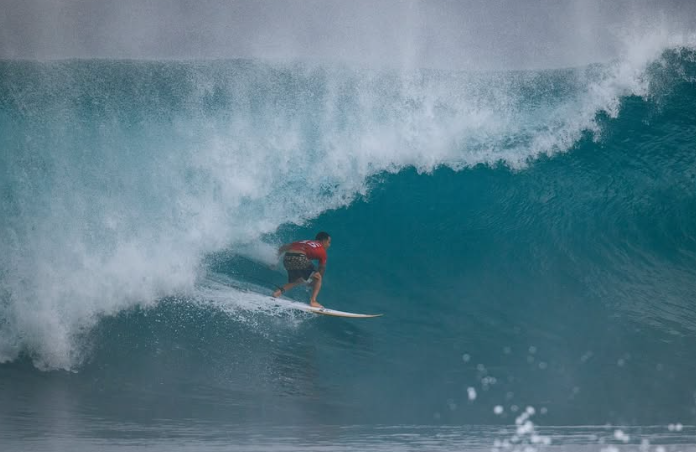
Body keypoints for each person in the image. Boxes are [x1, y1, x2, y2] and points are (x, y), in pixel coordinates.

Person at [272, 232, 331, 308]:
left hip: (287, 258)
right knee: (319, 277)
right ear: (323, 241)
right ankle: (313, 301)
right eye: (329, 242)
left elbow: (283, 248)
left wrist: (275, 261)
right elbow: (321, 268)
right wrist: (315, 281)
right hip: (300, 257)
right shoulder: (322, 251)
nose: (329, 245)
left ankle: (277, 293)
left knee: (298, 280)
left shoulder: (305, 242)